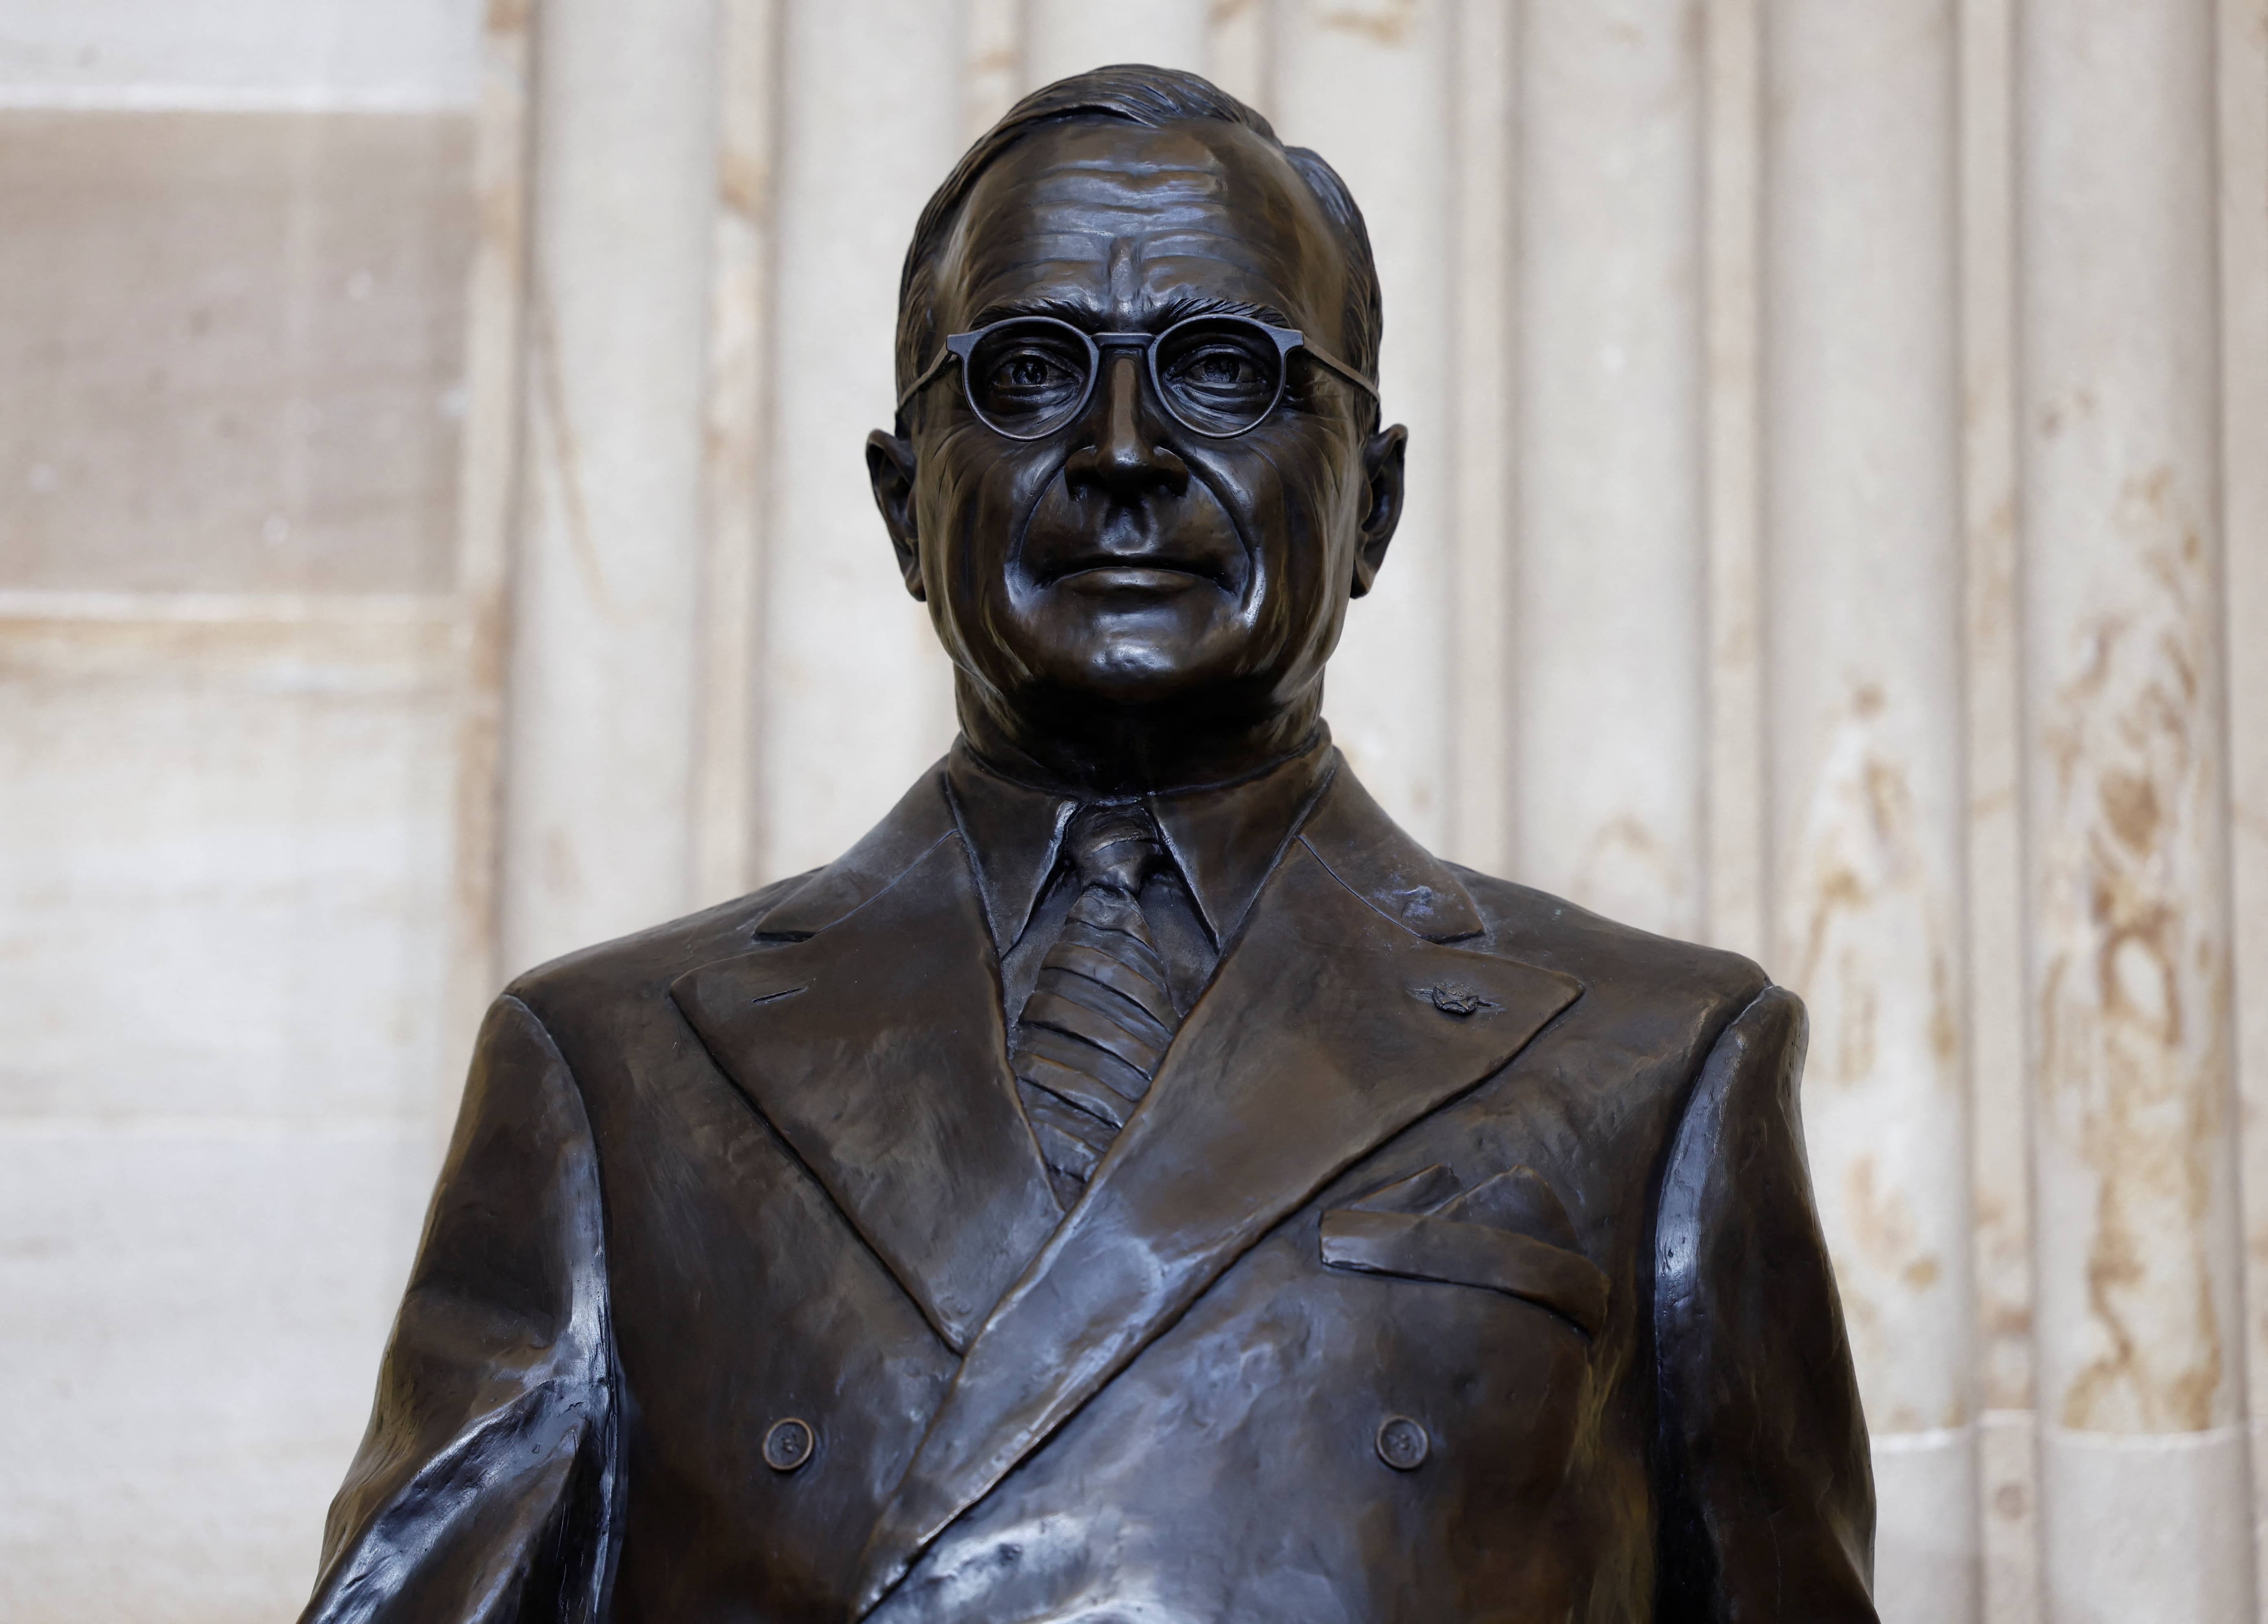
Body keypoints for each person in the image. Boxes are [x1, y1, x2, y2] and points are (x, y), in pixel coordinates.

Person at [301, 64, 1876, 1624]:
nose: (1124, 449)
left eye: (1226, 370)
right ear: (903, 501)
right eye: (1031, 373)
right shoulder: (614, 1075)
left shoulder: (1660, 1072)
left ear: (1376, 506)